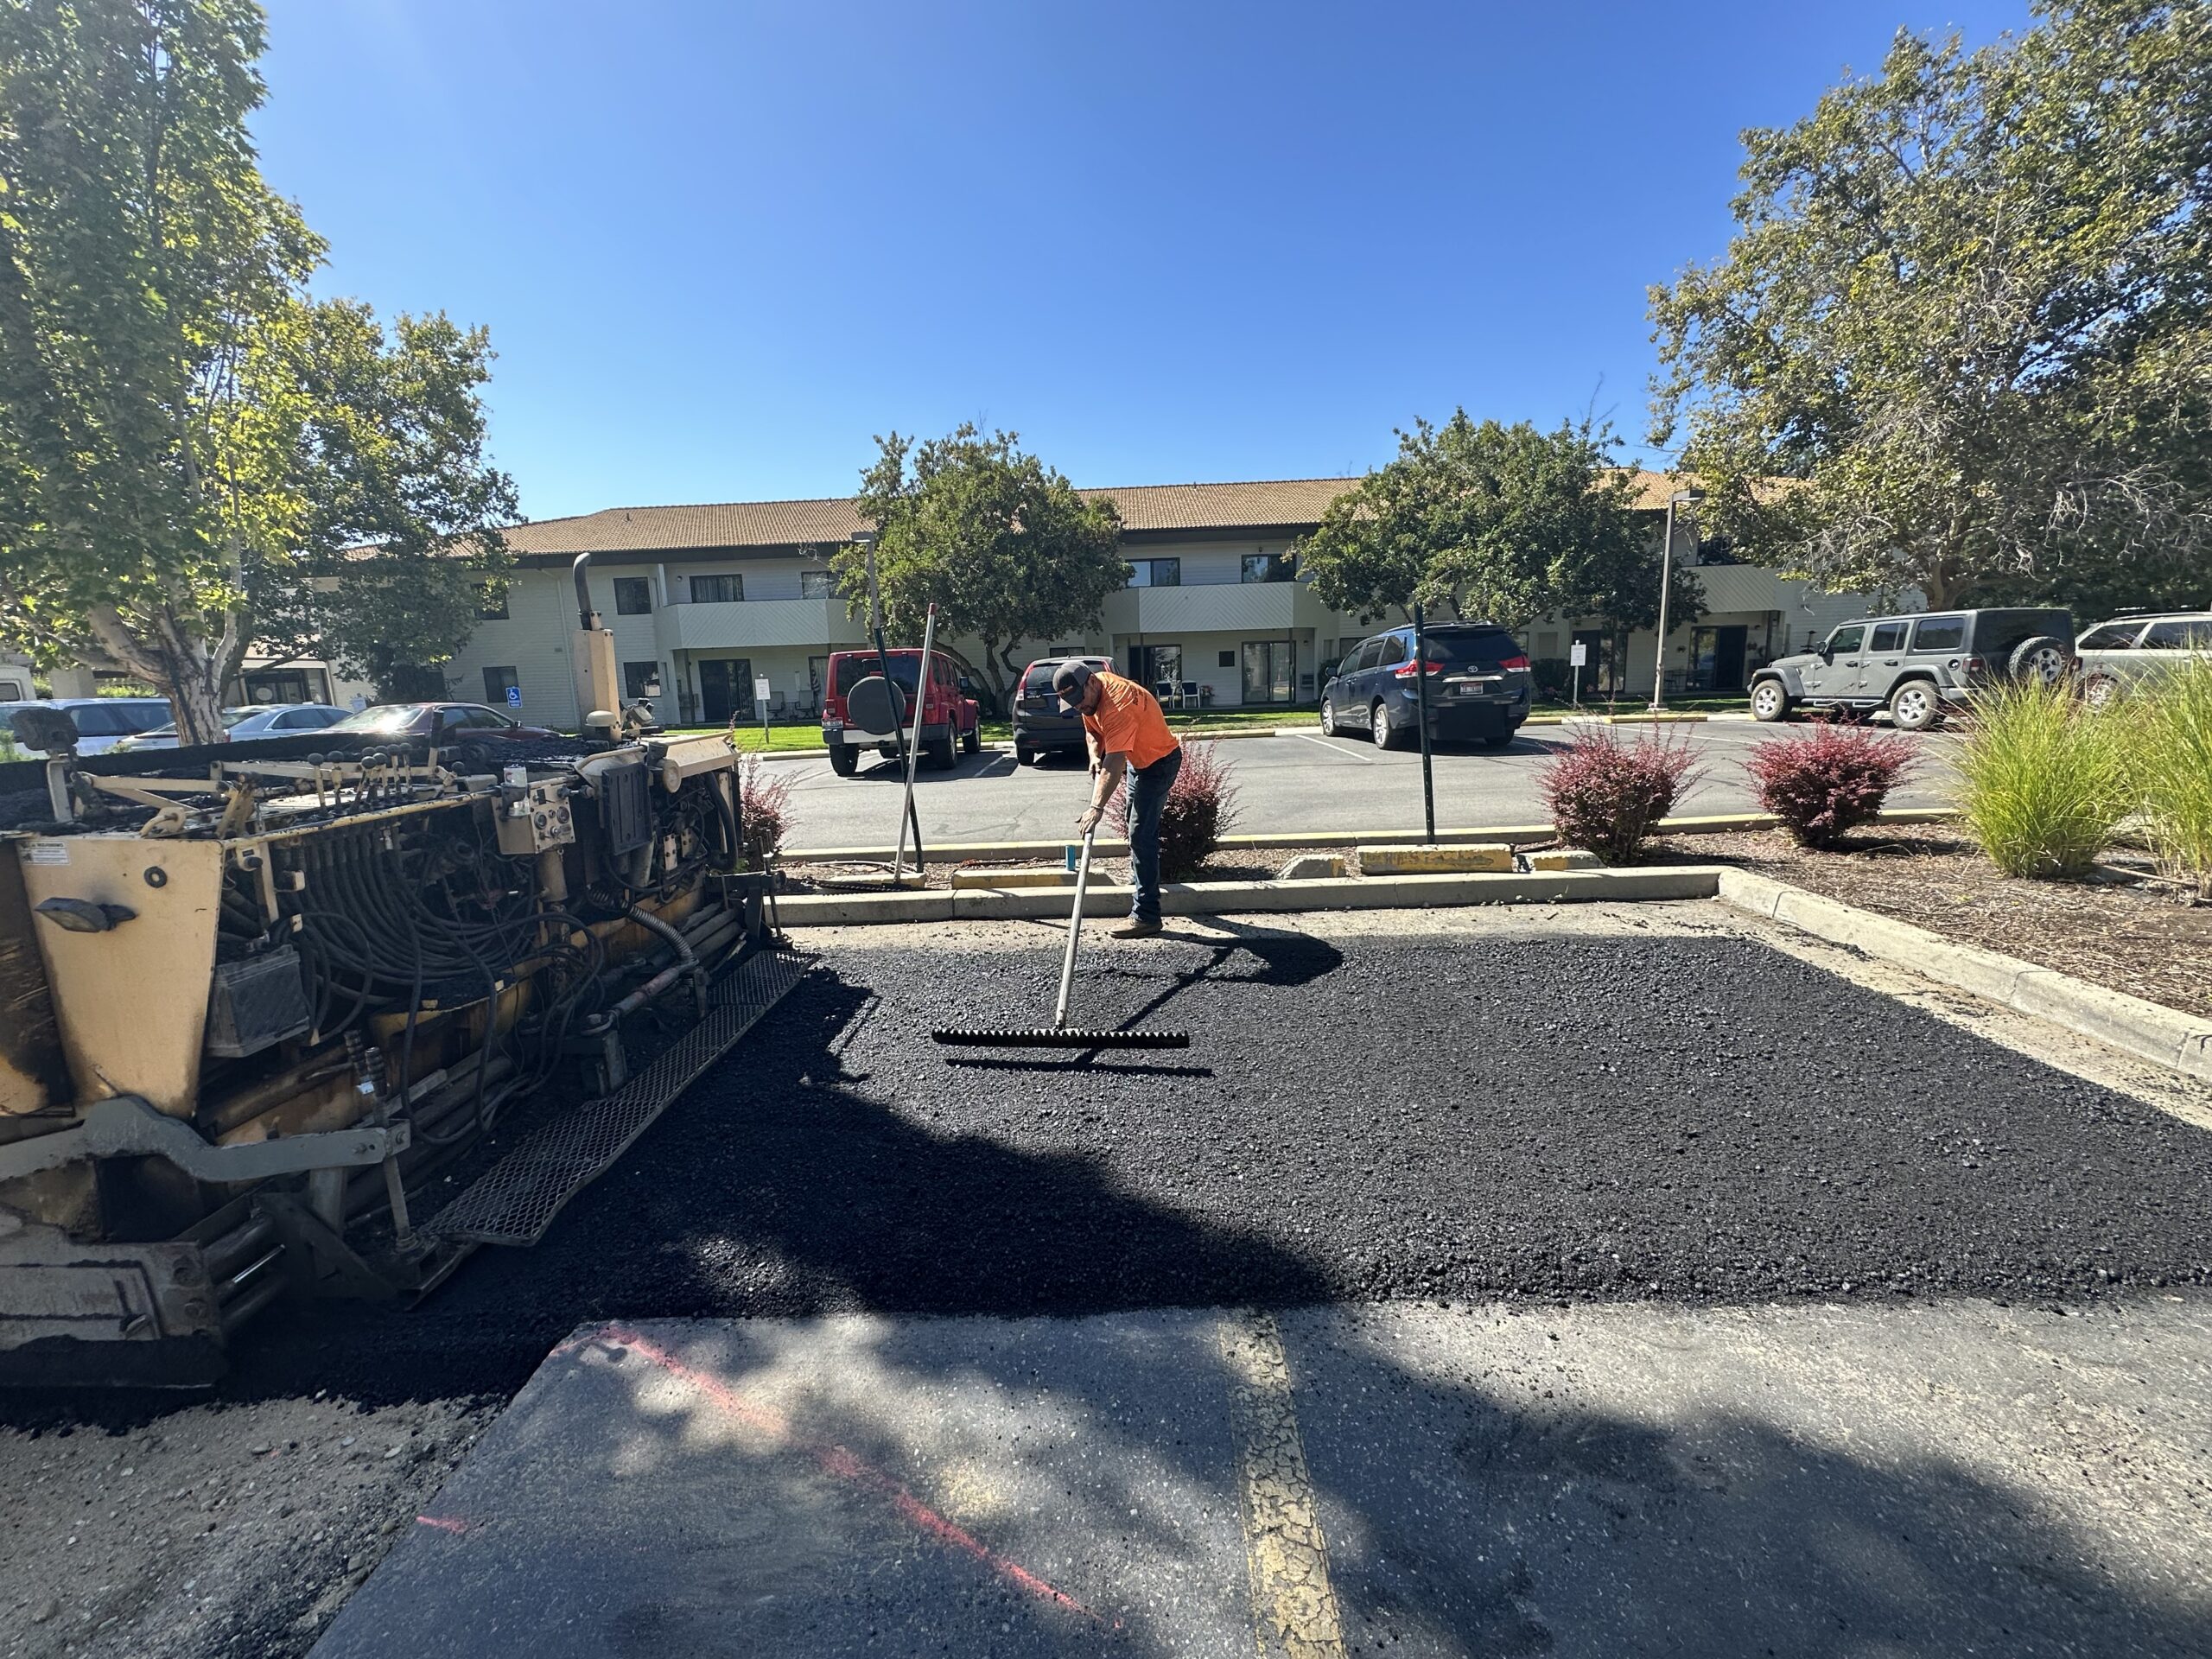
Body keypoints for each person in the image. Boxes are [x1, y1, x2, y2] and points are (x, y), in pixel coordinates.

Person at [1058, 660, 1183, 939]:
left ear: (1091, 682)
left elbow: (1114, 764)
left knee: (1141, 833)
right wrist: (1093, 755)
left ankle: (1146, 915)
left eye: (1080, 701)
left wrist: (1096, 807)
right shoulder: (1089, 695)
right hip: (1138, 764)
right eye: (1074, 705)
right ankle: (1142, 879)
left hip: (1160, 763)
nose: (1080, 707)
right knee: (1135, 828)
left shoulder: (1119, 704)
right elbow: (1092, 727)